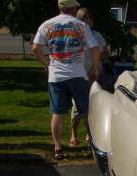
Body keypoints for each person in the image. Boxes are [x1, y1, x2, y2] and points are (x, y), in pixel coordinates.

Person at [32, 0, 100, 160]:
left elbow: (35, 47)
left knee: (57, 113)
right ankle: (93, 146)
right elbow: (95, 49)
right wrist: (95, 69)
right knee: (86, 112)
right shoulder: (81, 25)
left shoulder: (47, 24)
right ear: (73, 8)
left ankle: (58, 148)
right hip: (77, 74)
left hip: (56, 75)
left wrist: (46, 64)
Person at [69, 7, 108, 147]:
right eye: (85, 18)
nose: (88, 21)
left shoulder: (97, 35)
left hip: (95, 75)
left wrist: (97, 60)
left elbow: (105, 53)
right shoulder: (74, 36)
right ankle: (73, 133)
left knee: (94, 106)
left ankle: (89, 133)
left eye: (90, 18)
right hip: (79, 76)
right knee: (77, 109)